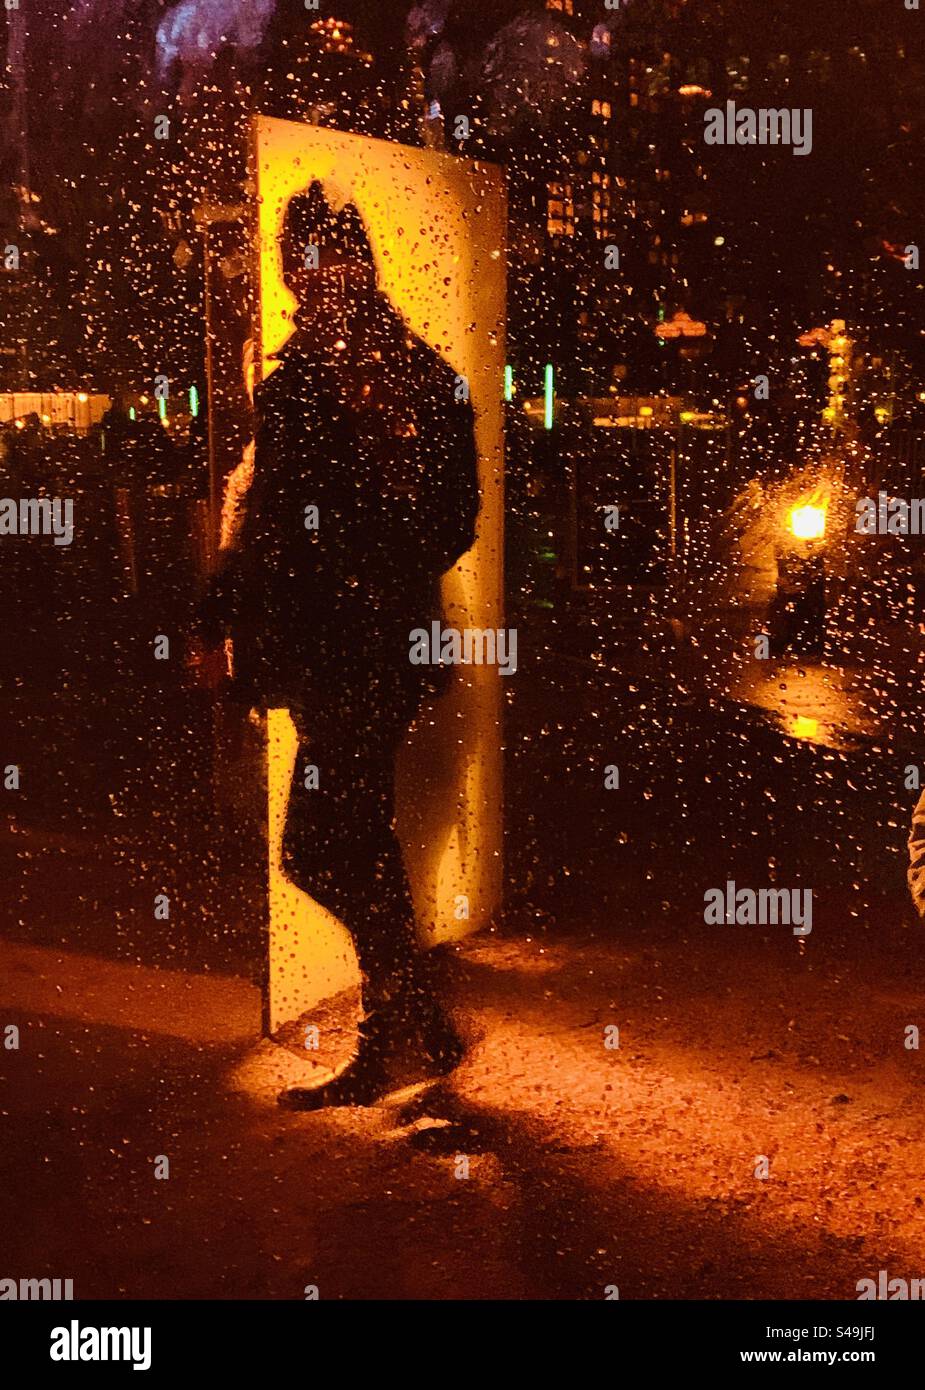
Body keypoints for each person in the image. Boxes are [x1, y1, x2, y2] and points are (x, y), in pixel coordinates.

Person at [206, 180, 480, 1108]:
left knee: (324, 849)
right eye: (299, 266)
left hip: (368, 652)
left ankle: (395, 1029)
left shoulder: (414, 377)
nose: (309, 281)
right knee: (352, 842)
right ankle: (416, 1026)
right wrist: (225, 620)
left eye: (325, 261)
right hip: (325, 649)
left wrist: (362, 571)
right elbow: (261, 512)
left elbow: (451, 519)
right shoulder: (297, 380)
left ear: (357, 268)